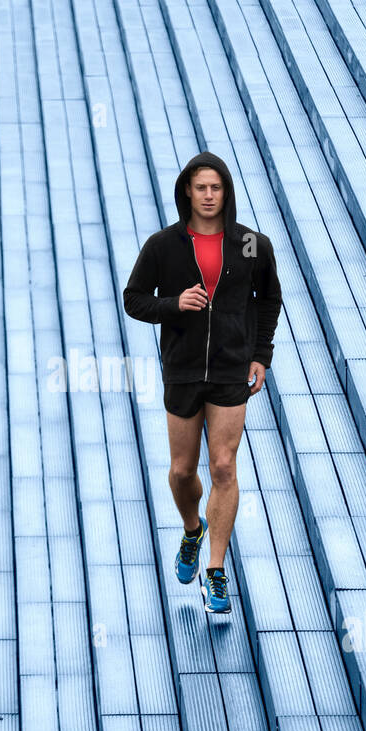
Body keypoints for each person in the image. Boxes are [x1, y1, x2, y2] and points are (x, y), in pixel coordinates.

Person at [123, 152, 283, 614]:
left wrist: (261, 355)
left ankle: (216, 569)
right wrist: (173, 304)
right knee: (180, 471)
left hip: (233, 369)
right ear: (187, 192)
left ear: (226, 191)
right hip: (184, 370)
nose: (209, 196)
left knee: (225, 468)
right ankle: (192, 530)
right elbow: (134, 300)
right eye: (201, 188)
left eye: (216, 188)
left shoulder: (252, 245)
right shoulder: (163, 246)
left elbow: (269, 299)